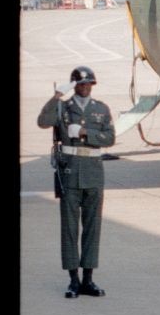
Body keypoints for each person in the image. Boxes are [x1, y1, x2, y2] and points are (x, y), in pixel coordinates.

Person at [38, 65, 115, 298]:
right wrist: (57, 96)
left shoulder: (100, 109)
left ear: (92, 85)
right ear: (74, 86)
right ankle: (73, 279)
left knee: (92, 228)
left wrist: (84, 135)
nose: (84, 87)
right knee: (69, 229)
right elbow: (42, 121)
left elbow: (110, 137)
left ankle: (88, 279)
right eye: (80, 84)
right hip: (70, 173)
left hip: (93, 173)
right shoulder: (62, 108)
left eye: (88, 84)